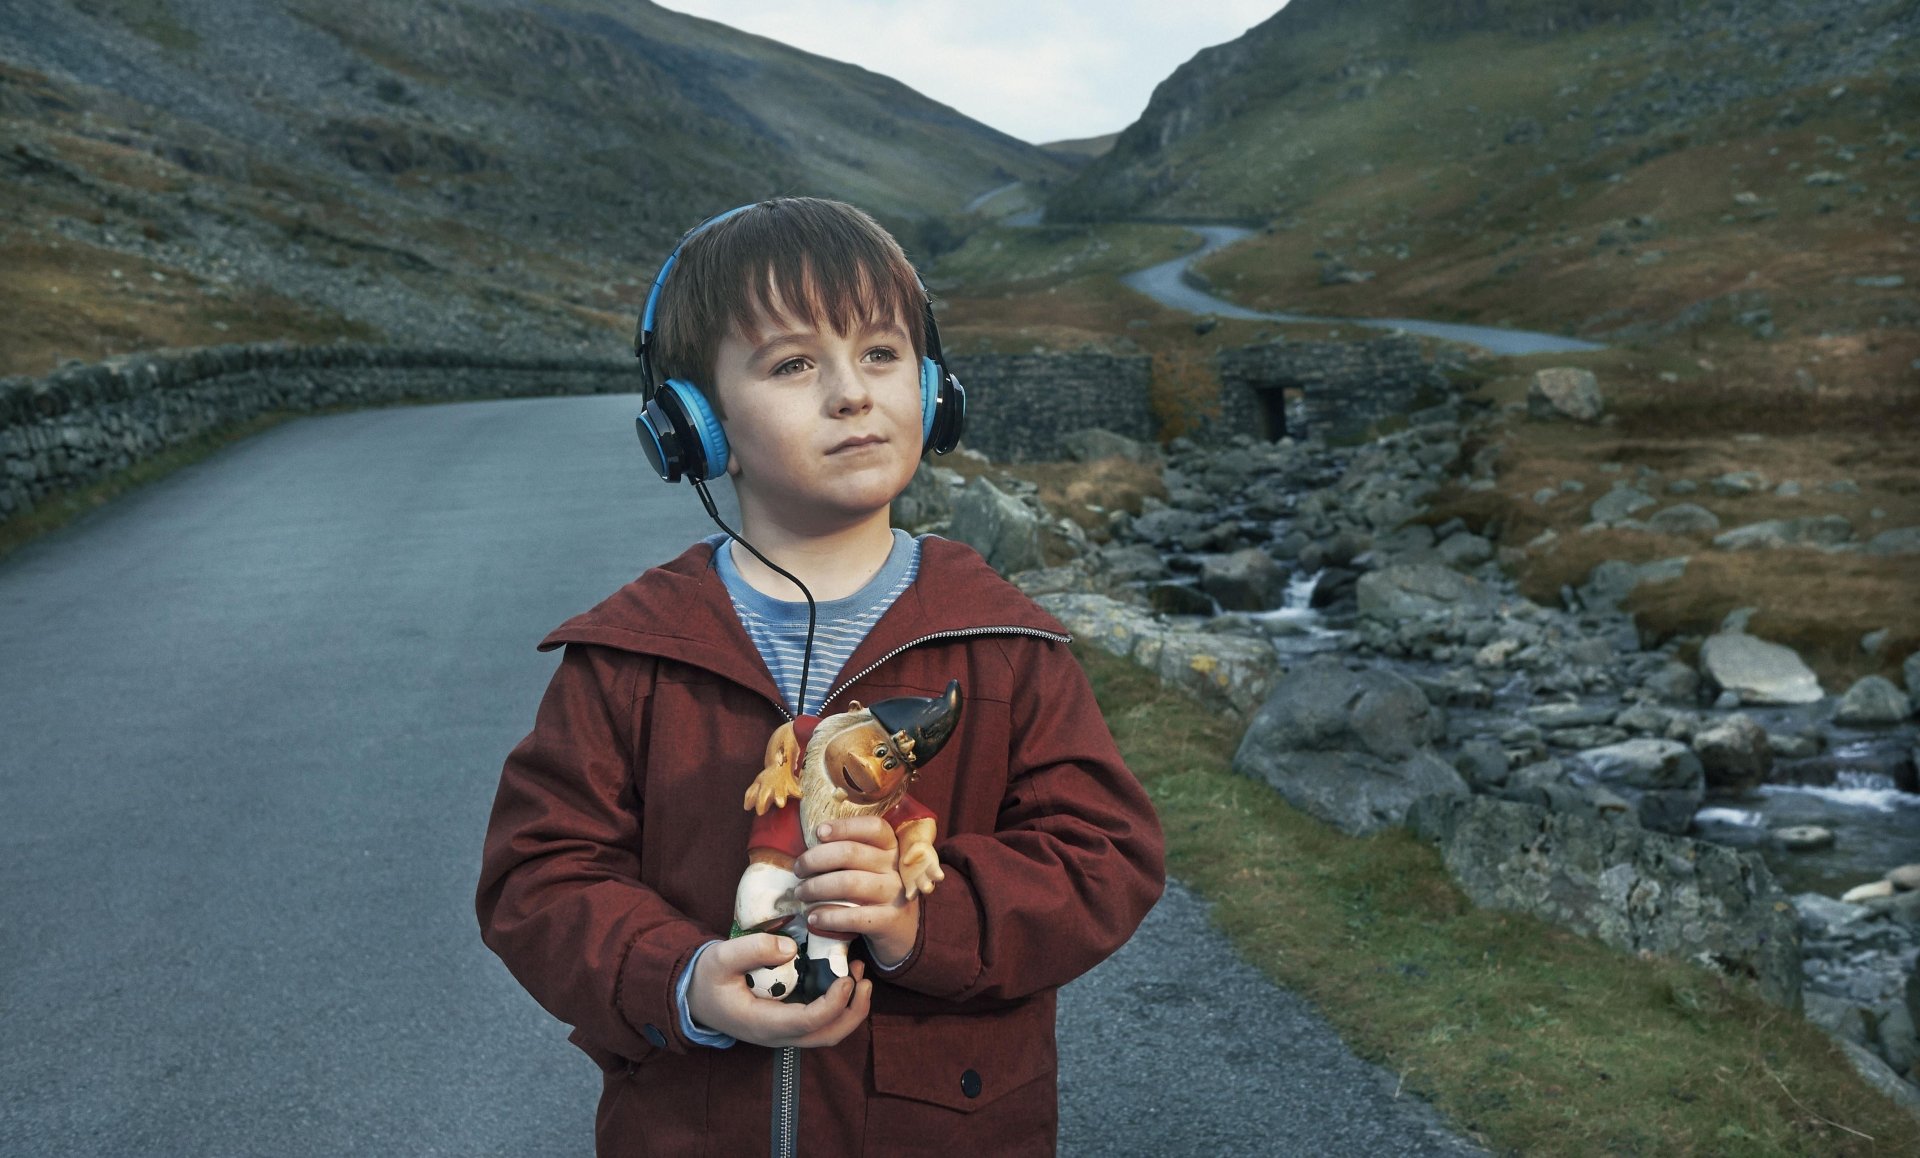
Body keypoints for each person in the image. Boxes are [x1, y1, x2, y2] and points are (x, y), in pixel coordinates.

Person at [476, 196, 1165, 1157]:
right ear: (694, 422)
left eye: (881, 354)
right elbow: (538, 877)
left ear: (931, 391)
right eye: (794, 364)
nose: (852, 393)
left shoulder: (1004, 644)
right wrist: (680, 980)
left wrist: (918, 914)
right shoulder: (630, 656)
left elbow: (1105, 858)